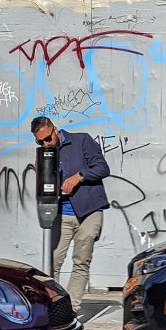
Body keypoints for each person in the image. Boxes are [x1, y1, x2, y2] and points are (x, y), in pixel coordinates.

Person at [31, 116, 110, 314]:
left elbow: (102, 168)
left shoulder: (81, 140)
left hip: (89, 211)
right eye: (40, 141)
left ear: (55, 130)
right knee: (53, 261)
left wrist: (79, 177)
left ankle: (71, 310)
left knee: (81, 260)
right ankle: (53, 307)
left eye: (48, 139)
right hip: (62, 213)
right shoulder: (44, 152)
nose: (45, 144)